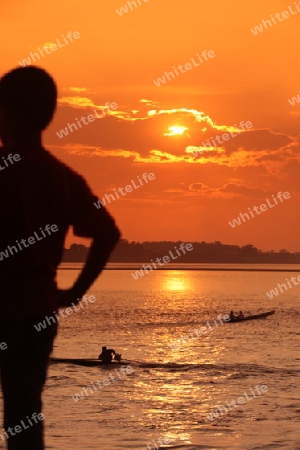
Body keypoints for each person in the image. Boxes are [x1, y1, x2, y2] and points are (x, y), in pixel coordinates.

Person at [0, 66, 121, 450]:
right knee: (24, 416)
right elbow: (108, 232)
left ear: (8, 112)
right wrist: (75, 291)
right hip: (37, 313)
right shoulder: (62, 178)